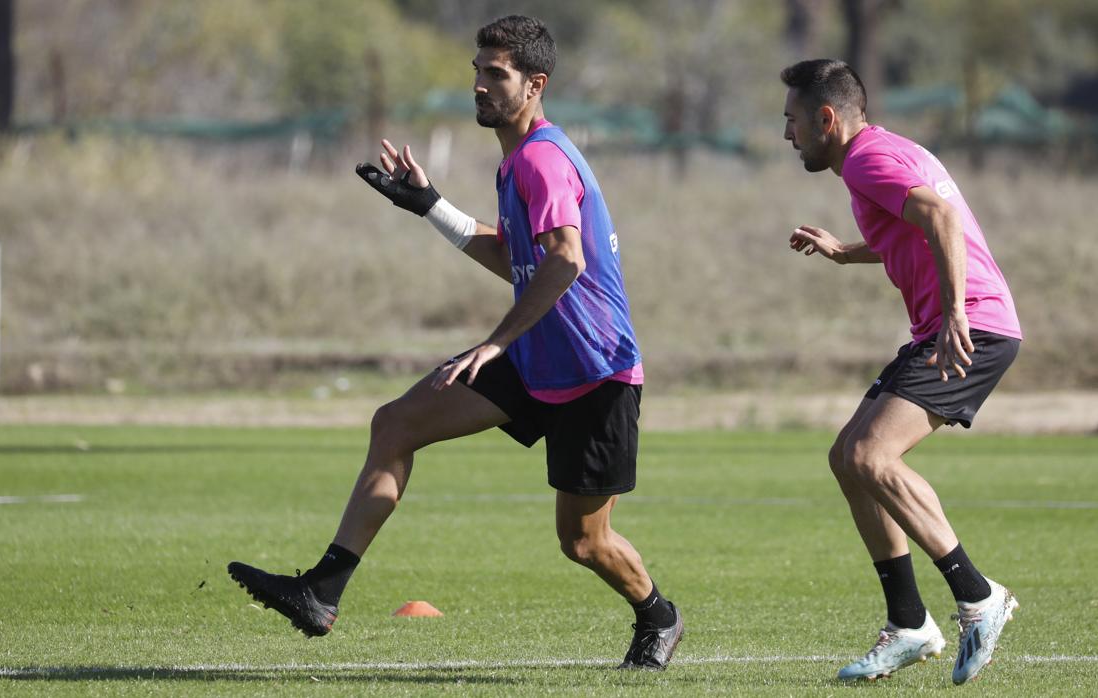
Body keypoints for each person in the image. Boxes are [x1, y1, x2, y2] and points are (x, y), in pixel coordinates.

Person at [228, 15, 684, 671]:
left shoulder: (542, 159)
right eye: (477, 72)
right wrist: (430, 206)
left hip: (594, 370)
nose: (479, 85)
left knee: (584, 543)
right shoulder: (516, 163)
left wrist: (495, 342)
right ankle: (320, 593)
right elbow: (517, 259)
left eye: (495, 74)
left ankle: (659, 614)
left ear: (535, 84)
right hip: (536, 360)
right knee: (396, 424)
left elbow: (565, 261)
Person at [781, 59, 1022, 684]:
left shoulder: (864, 160)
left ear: (826, 119)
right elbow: (916, 225)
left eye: (793, 121)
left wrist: (952, 316)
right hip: (954, 324)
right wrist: (844, 251)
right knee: (848, 459)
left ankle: (978, 597)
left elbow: (941, 220)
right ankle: (910, 623)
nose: (788, 135)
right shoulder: (884, 151)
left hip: (972, 326)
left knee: (869, 456)